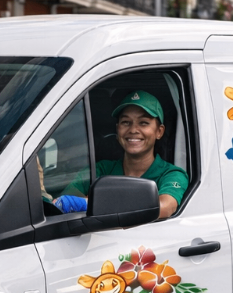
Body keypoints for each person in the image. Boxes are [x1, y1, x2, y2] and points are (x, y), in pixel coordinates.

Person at [55, 90, 188, 219]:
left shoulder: (171, 174)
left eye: (143, 123)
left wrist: (89, 203)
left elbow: (163, 207)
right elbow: (67, 199)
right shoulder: (101, 170)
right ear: (117, 129)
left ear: (159, 131)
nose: (133, 130)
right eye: (126, 122)